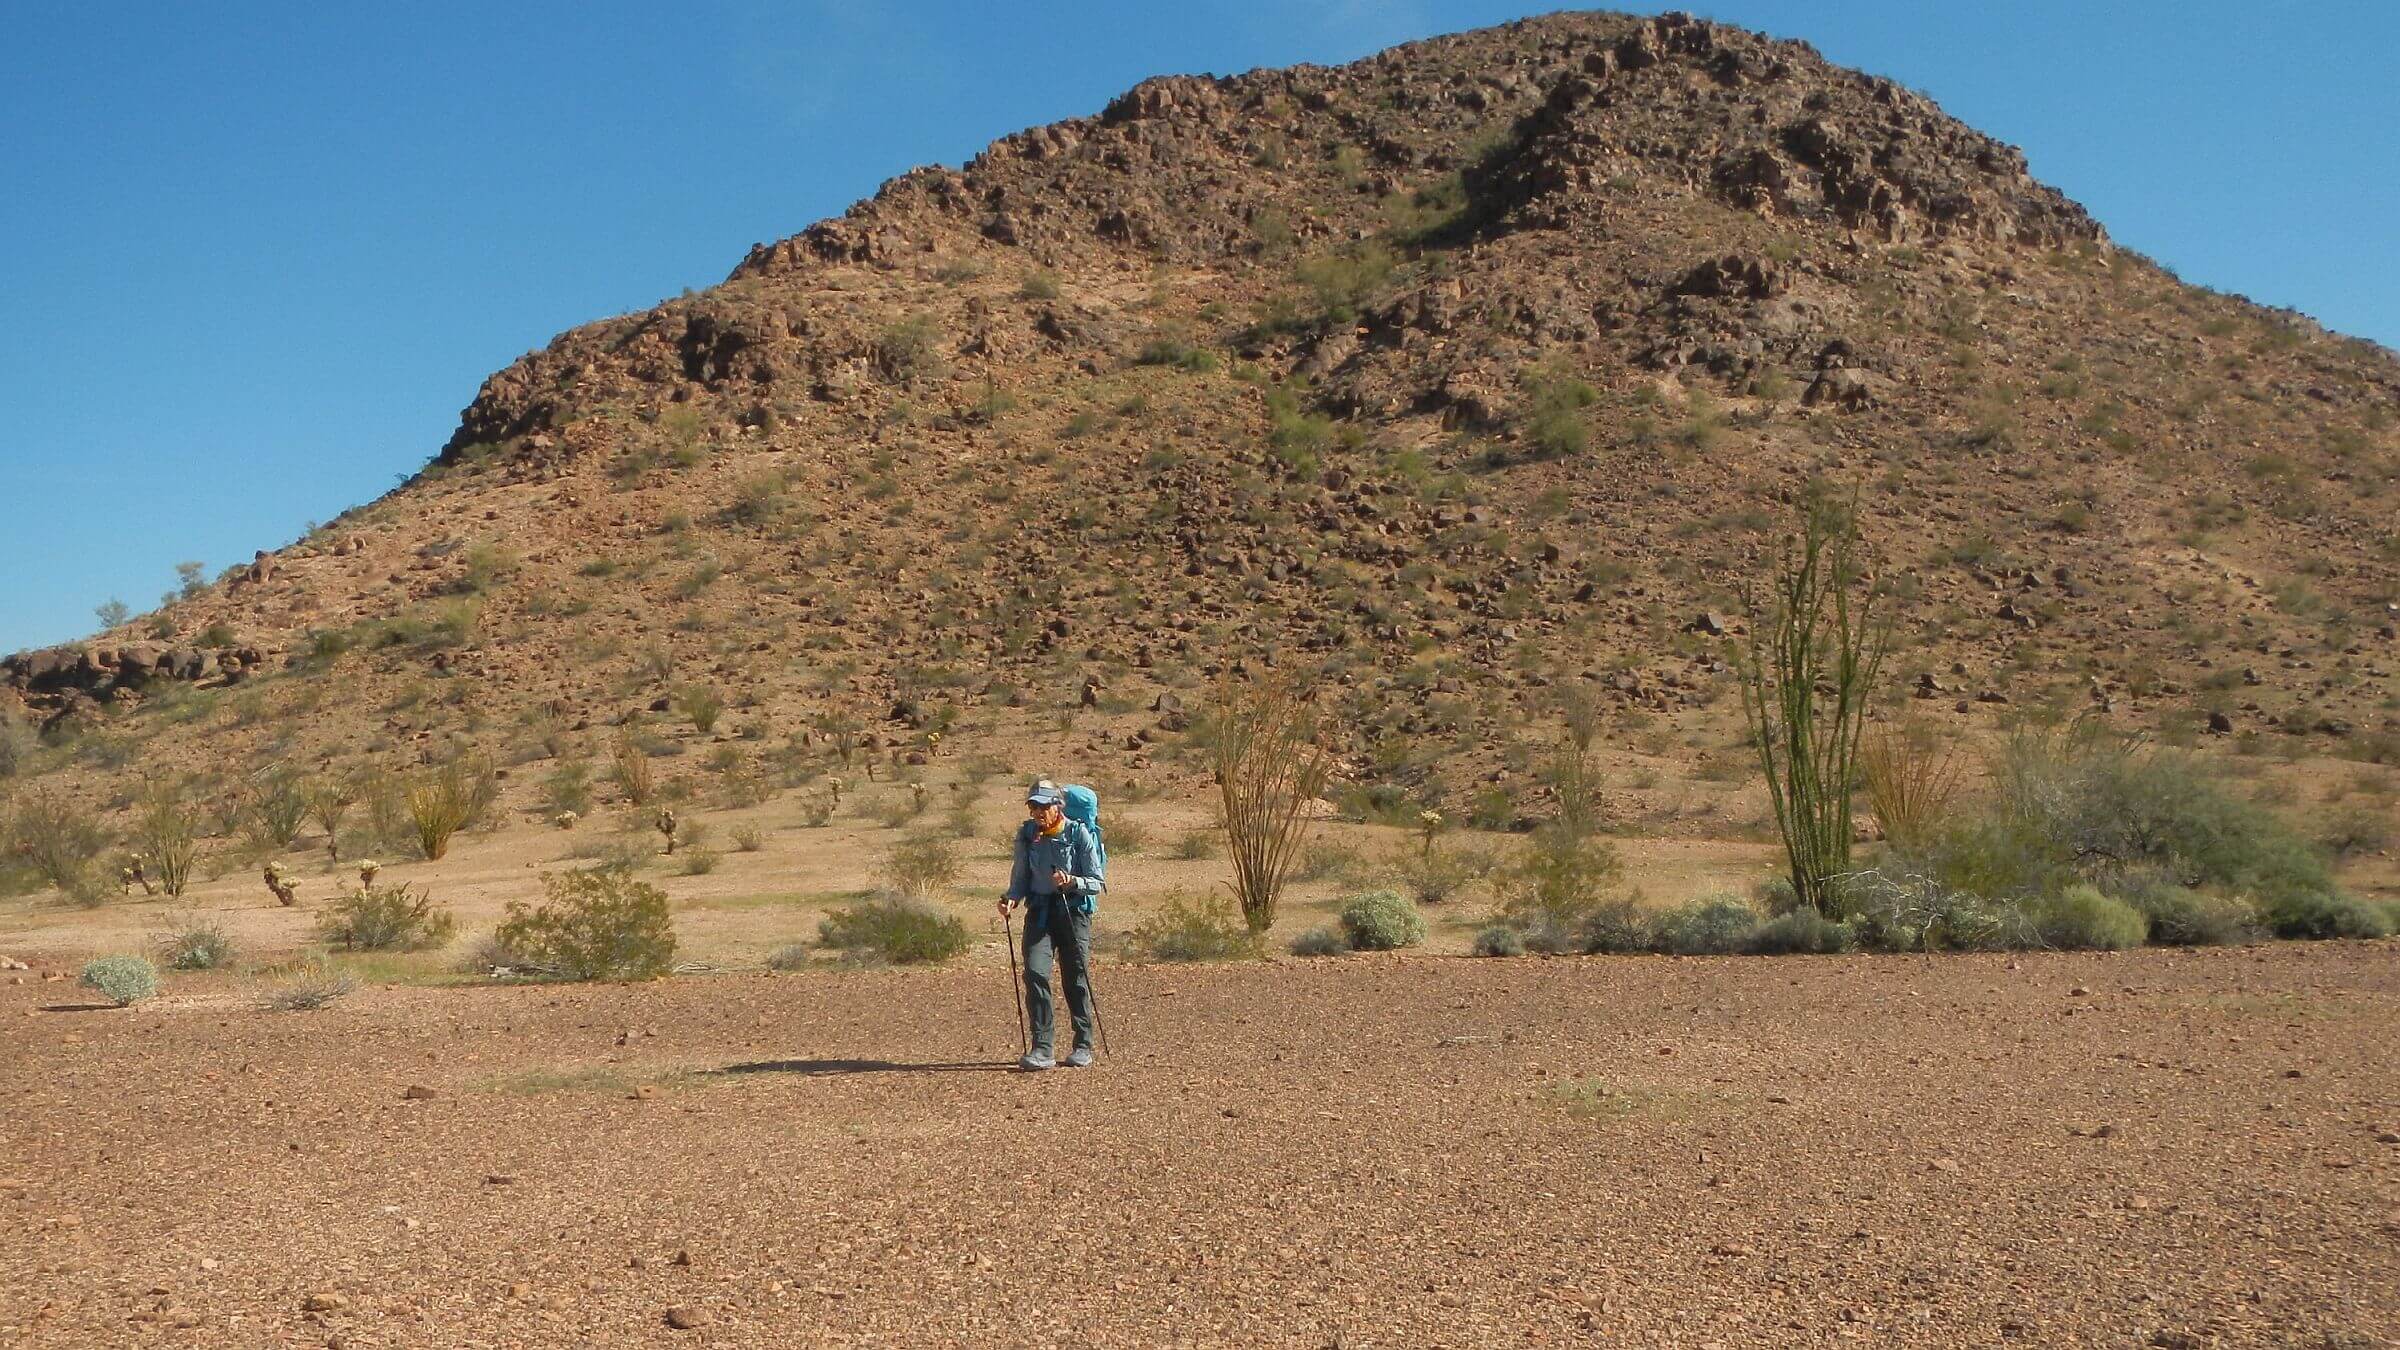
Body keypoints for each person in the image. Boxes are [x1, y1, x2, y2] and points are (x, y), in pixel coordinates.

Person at [998, 780, 1105, 1070]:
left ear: (1057, 806)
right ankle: (1042, 1048)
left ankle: (1083, 1044)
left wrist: (1073, 881)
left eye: (1043, 806)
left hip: (1073, 912)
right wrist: (1011, 899)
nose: (1038, 812)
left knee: (1075, 978)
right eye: (1034, 806)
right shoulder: (1027, 835)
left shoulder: (1078, 833)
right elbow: (1020, 877)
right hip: (1040, 913)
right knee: (1034, 972)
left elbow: (1098, 882)